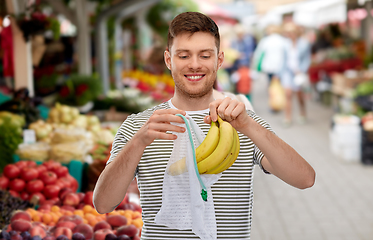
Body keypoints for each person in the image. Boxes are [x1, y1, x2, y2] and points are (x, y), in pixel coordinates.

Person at [93, 12, 315, 239]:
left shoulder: (243, 123)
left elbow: (304, 179)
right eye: (184, 56)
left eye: (205, 55)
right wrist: (138, 142)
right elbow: (103, 204)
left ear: (219, 60)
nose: (195, 65)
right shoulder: (139, 126)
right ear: (169, 60)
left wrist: (249, 125)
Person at [281, 22, 312, 126]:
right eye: (288, 32)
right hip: (288, 72)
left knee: (299, 95)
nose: (290, 34)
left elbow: (307, 59)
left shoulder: (304, 43)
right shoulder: (285, 44)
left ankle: (303, 113)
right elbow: (283, 60)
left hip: (299, 73)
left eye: (292, 32)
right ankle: (287, 118)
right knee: (288, 94)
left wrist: (301, 70)